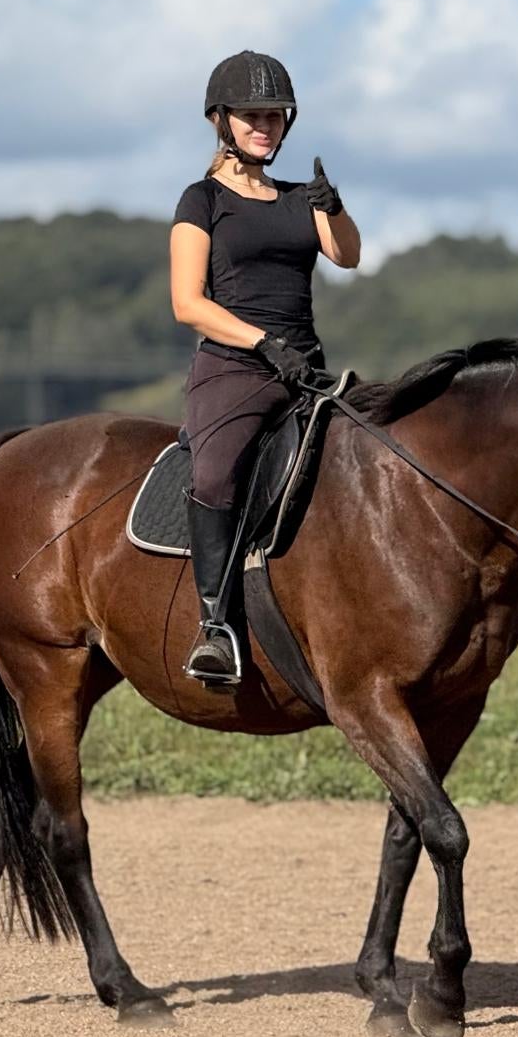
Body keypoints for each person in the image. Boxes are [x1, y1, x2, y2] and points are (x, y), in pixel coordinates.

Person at [169, 49, 361, 687]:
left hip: (307, 368)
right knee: (217, 472)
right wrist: (260, 345)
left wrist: (331, 206)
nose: (265, 127)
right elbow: (187, 303)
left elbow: (348, 255)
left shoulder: (300, 196)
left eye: (276, 117)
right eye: (252, 116)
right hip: (234, 369)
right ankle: (215, 626)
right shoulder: (201, 200)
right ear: (221, 121)